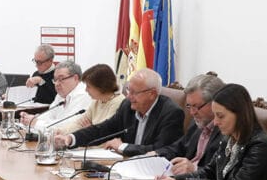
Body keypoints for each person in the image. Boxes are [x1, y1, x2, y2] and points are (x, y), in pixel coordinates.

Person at [157, 83, 267, 180]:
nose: (215, 122)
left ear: (240, 114)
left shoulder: (261, 145)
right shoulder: (229, 138)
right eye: (215, 115)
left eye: (220, 116)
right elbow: (210, 171)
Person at [54, 67, 184, 158]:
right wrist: (71, 138)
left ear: (152, 94)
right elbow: (103, 129)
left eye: (134, 93)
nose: (128, 96)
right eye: (128, 91)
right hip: (125, 167)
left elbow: (161, 150)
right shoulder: (128, 106)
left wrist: (123, 147)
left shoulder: (171, 114)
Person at [157, 71, 226, 175]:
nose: (192, 112)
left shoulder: (226, 129)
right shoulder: (198, 121)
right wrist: (155, 154)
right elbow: (178, 148)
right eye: (189, 106)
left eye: (196, 106)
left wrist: (194, 169)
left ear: (215, 103)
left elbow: (220, 174)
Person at [26, 60, 91, 135]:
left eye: (61, 79)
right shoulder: (61, 95)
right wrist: (33, 118)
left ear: (75, 78)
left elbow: (67, 127)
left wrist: (36, 123)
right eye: (55, 80)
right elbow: (50, 115)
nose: (56, 84)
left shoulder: (84, 95)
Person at [56, 63, 124, 132]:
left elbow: (105, 131)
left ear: (101, 86)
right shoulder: (97, 101)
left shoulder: (118, 103)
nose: (86, 90)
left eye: (88, 86)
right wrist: (61, 131)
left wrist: (90, 129)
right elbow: (79, 123)